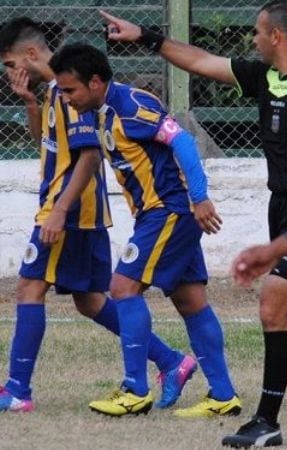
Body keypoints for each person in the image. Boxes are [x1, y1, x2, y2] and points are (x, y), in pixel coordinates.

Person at [101, 0, 287, 445]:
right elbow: (200, 61)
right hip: (283, 207)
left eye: (257, 32)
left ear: (277, 35)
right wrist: (146, 36)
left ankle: (266, 422)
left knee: (273, 303)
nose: (252, 40)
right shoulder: (265, 76)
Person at [0, 18, 195, 414]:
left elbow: (88, 156)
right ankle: (171, 360)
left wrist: (58, 212)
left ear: (32, 54)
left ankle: (18, 390)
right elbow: (48, 142)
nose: (9, 71)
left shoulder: (69, 90)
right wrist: (30, 103)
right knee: (90, 300)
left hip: (68, 209)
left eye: (10, 63)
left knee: (28, 288)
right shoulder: (58, 91)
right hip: (82, 212)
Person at [50, 43, 240, 418]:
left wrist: (200, 198)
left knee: (122, 287)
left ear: (95, 82)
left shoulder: (132, 106)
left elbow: (182, 141)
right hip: (159, 215)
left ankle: (135, 389)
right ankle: (223, 396)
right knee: (190, 301)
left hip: (168, 211)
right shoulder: (99, 111)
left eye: (70, 90)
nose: (66, 98)